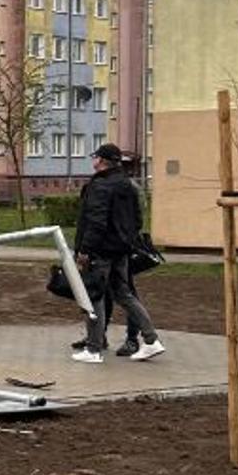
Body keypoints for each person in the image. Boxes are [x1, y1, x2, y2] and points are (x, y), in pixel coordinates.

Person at [72, 143, 165, 364]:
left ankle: (93, 349)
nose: (93, 160)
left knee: (94, 295)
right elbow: (137, 219)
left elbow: (96, 221)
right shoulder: (127, 185)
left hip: (101, 251)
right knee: (124, 294)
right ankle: (151, 340)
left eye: (95, 156)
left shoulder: (100, 186)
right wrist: (127, 241)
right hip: (121, 250)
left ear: (102, 161)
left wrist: (85, 249)